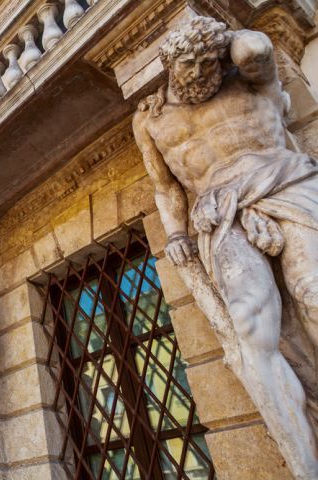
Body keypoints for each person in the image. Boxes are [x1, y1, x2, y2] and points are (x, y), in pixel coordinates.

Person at [133, 16, 318, 479]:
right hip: (218, 213)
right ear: (169, 67)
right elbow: (166, 187)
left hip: (286, 183)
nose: (199, 78)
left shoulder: (251, 74)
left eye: (206, 67)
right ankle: (304, 463)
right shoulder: (150, 119)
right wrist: (175, 233)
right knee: (252, 326)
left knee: (313, 294)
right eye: (188, 70)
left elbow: (255, 50)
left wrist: (217, 35)